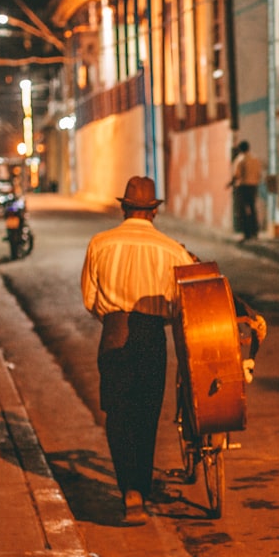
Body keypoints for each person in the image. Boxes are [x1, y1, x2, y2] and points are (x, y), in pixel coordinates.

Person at [80, 176, 196, 525]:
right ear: (154, 212)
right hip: (151, 338)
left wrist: (114, 314)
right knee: (146, 418)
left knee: (118, 415)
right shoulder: (172, 251)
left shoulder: (100, 244)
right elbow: (183, 304)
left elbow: (89, 299)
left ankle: (127, 490)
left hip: (113, 335)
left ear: (123, 207)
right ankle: (139, 494)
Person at [231, 140, 263, 242]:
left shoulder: (240, 160)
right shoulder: (255, 159)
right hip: (254, 186)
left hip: (243, 187)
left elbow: (237, 175)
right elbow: (259, 173)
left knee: (243, 211)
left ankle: (247, 233)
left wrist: (231, 183)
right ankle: (255, 232)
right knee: (253, 209)